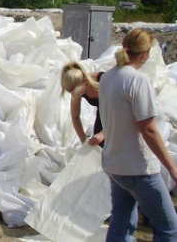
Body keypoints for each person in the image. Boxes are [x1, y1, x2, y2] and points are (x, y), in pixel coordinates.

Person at [99, 28, 177, 241]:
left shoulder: (108, 77)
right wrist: (171, 167)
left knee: (121, 223)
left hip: (115, 163)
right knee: (169, 228)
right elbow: (149, 129)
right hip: (139, 167)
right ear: (144, 54)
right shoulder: (138, 81)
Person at [60, 61, 105, 146]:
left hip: (119, 112)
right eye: (70, 92)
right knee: (97, 145)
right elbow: (75, 117)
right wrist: (84, 141)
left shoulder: (103, 81)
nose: (74, 95)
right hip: (102, 113)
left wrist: (103, 134)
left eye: (76, 91)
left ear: (85, 81)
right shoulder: (77, 92)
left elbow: (120, 111)